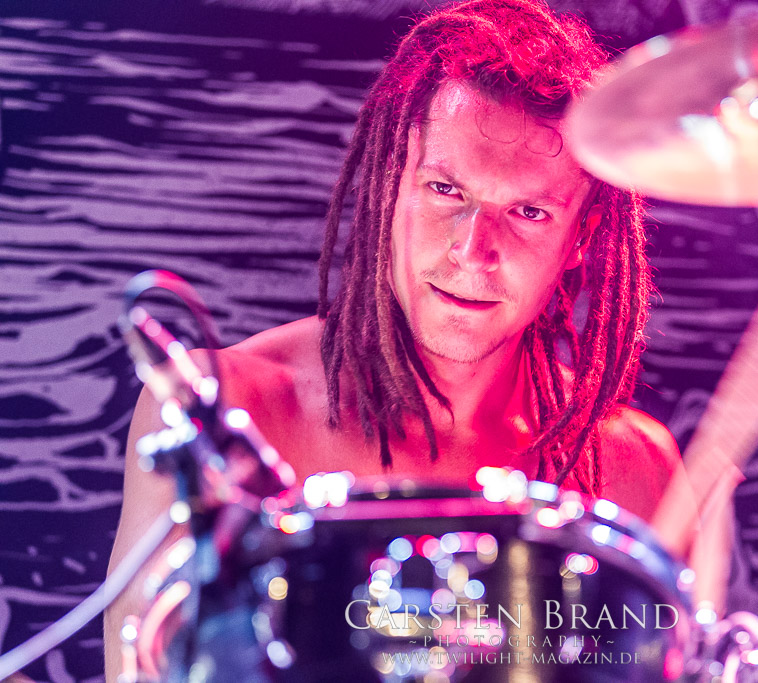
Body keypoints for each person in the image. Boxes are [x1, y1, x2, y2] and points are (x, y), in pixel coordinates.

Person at [105, 0, 694, 677]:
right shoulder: (224, 415)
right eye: (445, 189)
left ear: (579, 239)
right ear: (391, 187)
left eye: (528, 212)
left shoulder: (633, 472)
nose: (473, 251)